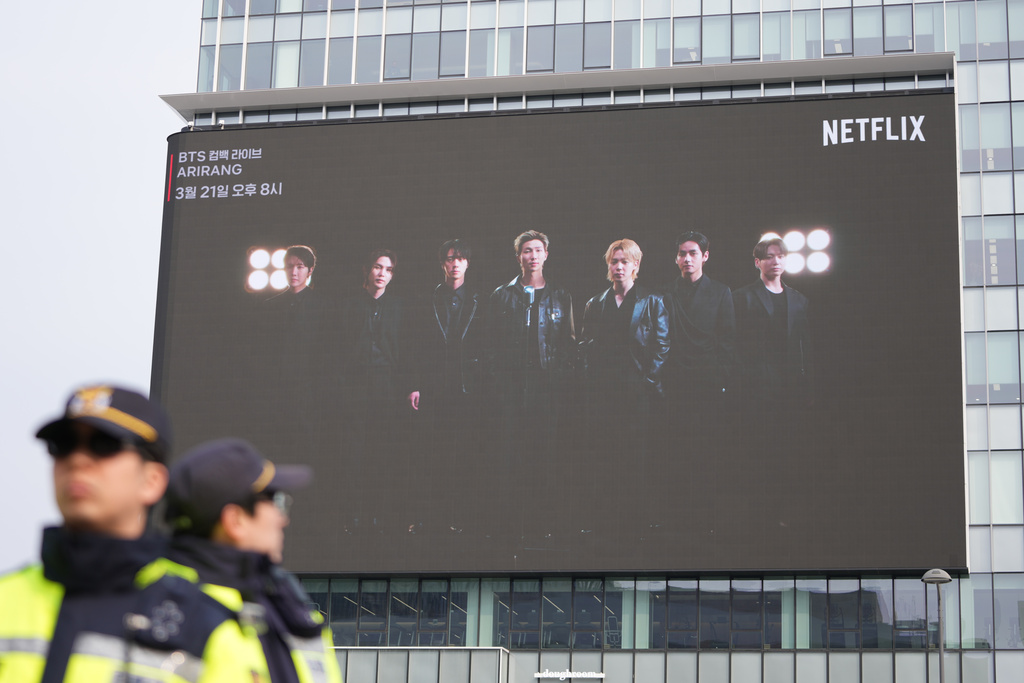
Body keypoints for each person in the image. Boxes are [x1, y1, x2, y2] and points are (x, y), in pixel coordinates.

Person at [0, 385, 268, 683]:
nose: (77, 460)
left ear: (152, 481)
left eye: (104, 444)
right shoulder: (5, 599)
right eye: (63, 444)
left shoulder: (207, 626)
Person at [164, 438, 342, 683]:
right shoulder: (178, 614)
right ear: (235, 521)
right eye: (276, 501)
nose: (283, 519)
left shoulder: (281, 605)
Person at [486, 230, 575, 457]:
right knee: (510, 446)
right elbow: (491, 341)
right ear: (518, 257)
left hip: (548, 383)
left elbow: (568, 341)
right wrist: (499, 378)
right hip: (512, 383)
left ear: (546, 255)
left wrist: (561, 375)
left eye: (538, 250)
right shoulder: (501, 295)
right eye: (527, 251)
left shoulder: (560, 295)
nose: (533, 256)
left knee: (545, 446)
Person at [578, 239, 669, 458]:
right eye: (614, 261)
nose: (619, 267)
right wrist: (591, 380)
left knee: (636, 451)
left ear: (636, 264)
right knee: (605, 450)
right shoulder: (595, 303)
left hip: (637, 389)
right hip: (604, 390)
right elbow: (586, 345)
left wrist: (647, 381)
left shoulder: (653, 301)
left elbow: (662, 345)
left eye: (625, 262)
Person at [733, 236, 813, 416]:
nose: (776, 261)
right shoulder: (741, 297)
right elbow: (733, 342)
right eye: (769, 257)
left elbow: (805, 347)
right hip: (755, 385)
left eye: (781, 256)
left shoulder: (799, 300)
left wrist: (808, 385)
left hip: (791, 383)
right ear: (757, 262)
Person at [337, 248, 405, 456]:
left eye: (388, 269)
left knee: (383, 437)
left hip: (386, 379)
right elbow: (339, 347)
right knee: (352, 440)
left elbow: (406, 348)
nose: (382, 273)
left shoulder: (398, 307)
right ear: (367, 270)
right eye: (378, 267)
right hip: (354, 380)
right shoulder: (348, 305)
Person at [662, 231, 735, 421]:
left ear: (705, 256)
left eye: (693, 253)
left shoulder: (721, 292)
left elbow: (728, 339)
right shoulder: (664, 293)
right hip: (674, 380)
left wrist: (721, 375)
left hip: (708, 380)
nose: (687, 259)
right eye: (682, 254)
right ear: (676, 258)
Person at [407, 239, 485, 415]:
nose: (455, 264)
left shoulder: (481, 300)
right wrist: (414, 385)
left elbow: (487, 345)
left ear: (467, 263)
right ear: (442, 263)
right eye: (450, 259)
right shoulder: (426, 300)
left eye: (461, 258)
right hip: (434, 382)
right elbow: (415, 346)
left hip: (469, 383)